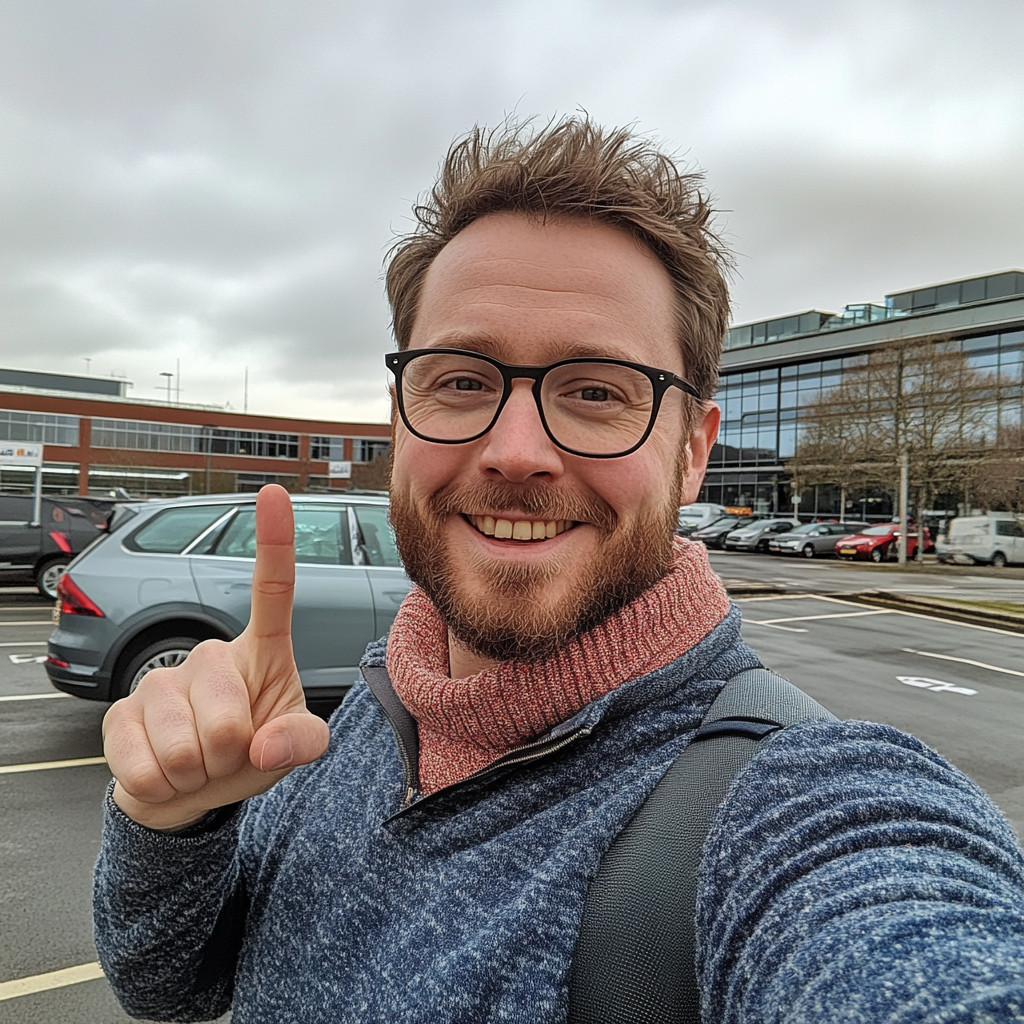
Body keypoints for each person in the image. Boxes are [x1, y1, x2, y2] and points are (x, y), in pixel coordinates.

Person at [95, 118, 1024, 1024]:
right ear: (400, 414)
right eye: (461, 378)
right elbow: (168, 990)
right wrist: (166, 820)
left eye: (594, 391)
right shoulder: (350, 729)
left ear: (692, 451)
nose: (515, 451)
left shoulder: (801, 810)